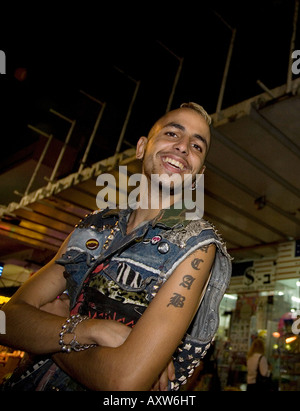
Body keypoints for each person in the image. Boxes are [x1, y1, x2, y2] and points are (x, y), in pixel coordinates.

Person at [0, 102, 232, 391]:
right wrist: (90, 329)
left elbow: (124, 382)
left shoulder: (195, 245)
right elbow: (7, 320)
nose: (184, 147)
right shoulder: (94, 226)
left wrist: (55, 323)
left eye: (197, 146)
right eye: (173, 134)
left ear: (199, 172)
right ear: (141, 147)